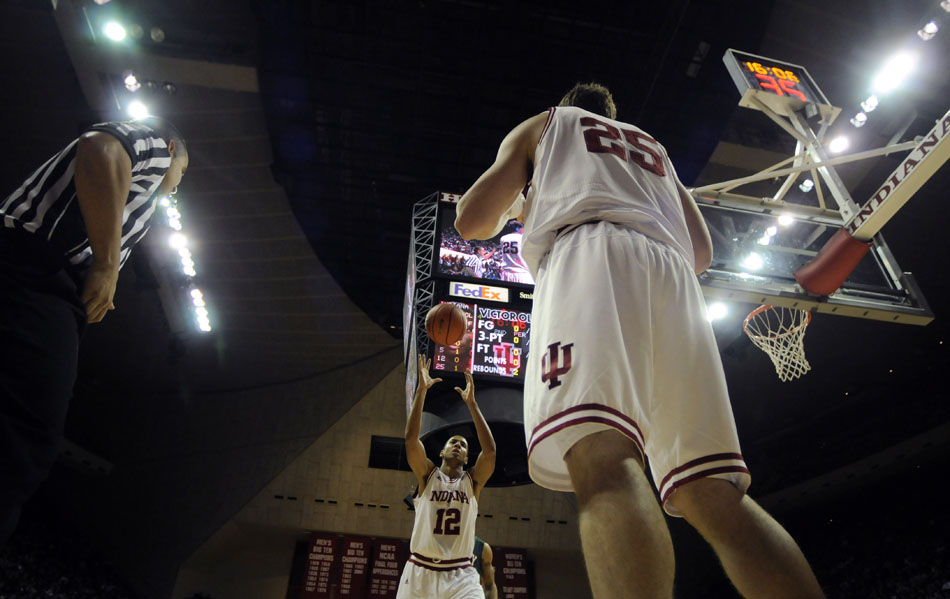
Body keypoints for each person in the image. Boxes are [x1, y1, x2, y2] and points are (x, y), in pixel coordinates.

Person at [454, 83, 823, 598]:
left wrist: (522, 205)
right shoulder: (654, 150)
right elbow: (700, 254)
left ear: (566, 104)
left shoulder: (546, 124)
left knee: (601, 456)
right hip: (673, 278)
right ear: (610, 114)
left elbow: (470, 220)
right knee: (709, 490)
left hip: (591, 257)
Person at [0, 117, 188, 545]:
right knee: (25, 434)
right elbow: (100, 147)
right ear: (175, 151)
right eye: (184, 175)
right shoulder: (160, 147)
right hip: (34, 269)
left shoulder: (141, 203)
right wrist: (106, 264)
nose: (177, 186)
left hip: (29, 275)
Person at [398, 354, 496, 599]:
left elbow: (491, 452)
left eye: (463, 446)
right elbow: (411, 440)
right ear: (441, 451)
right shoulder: (427, 474)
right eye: (453, 442)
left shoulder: (472, 482)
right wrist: (421, 391)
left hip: (460, 574)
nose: (458, 446)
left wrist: (472, 404)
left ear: (466, 458)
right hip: (420, 570)